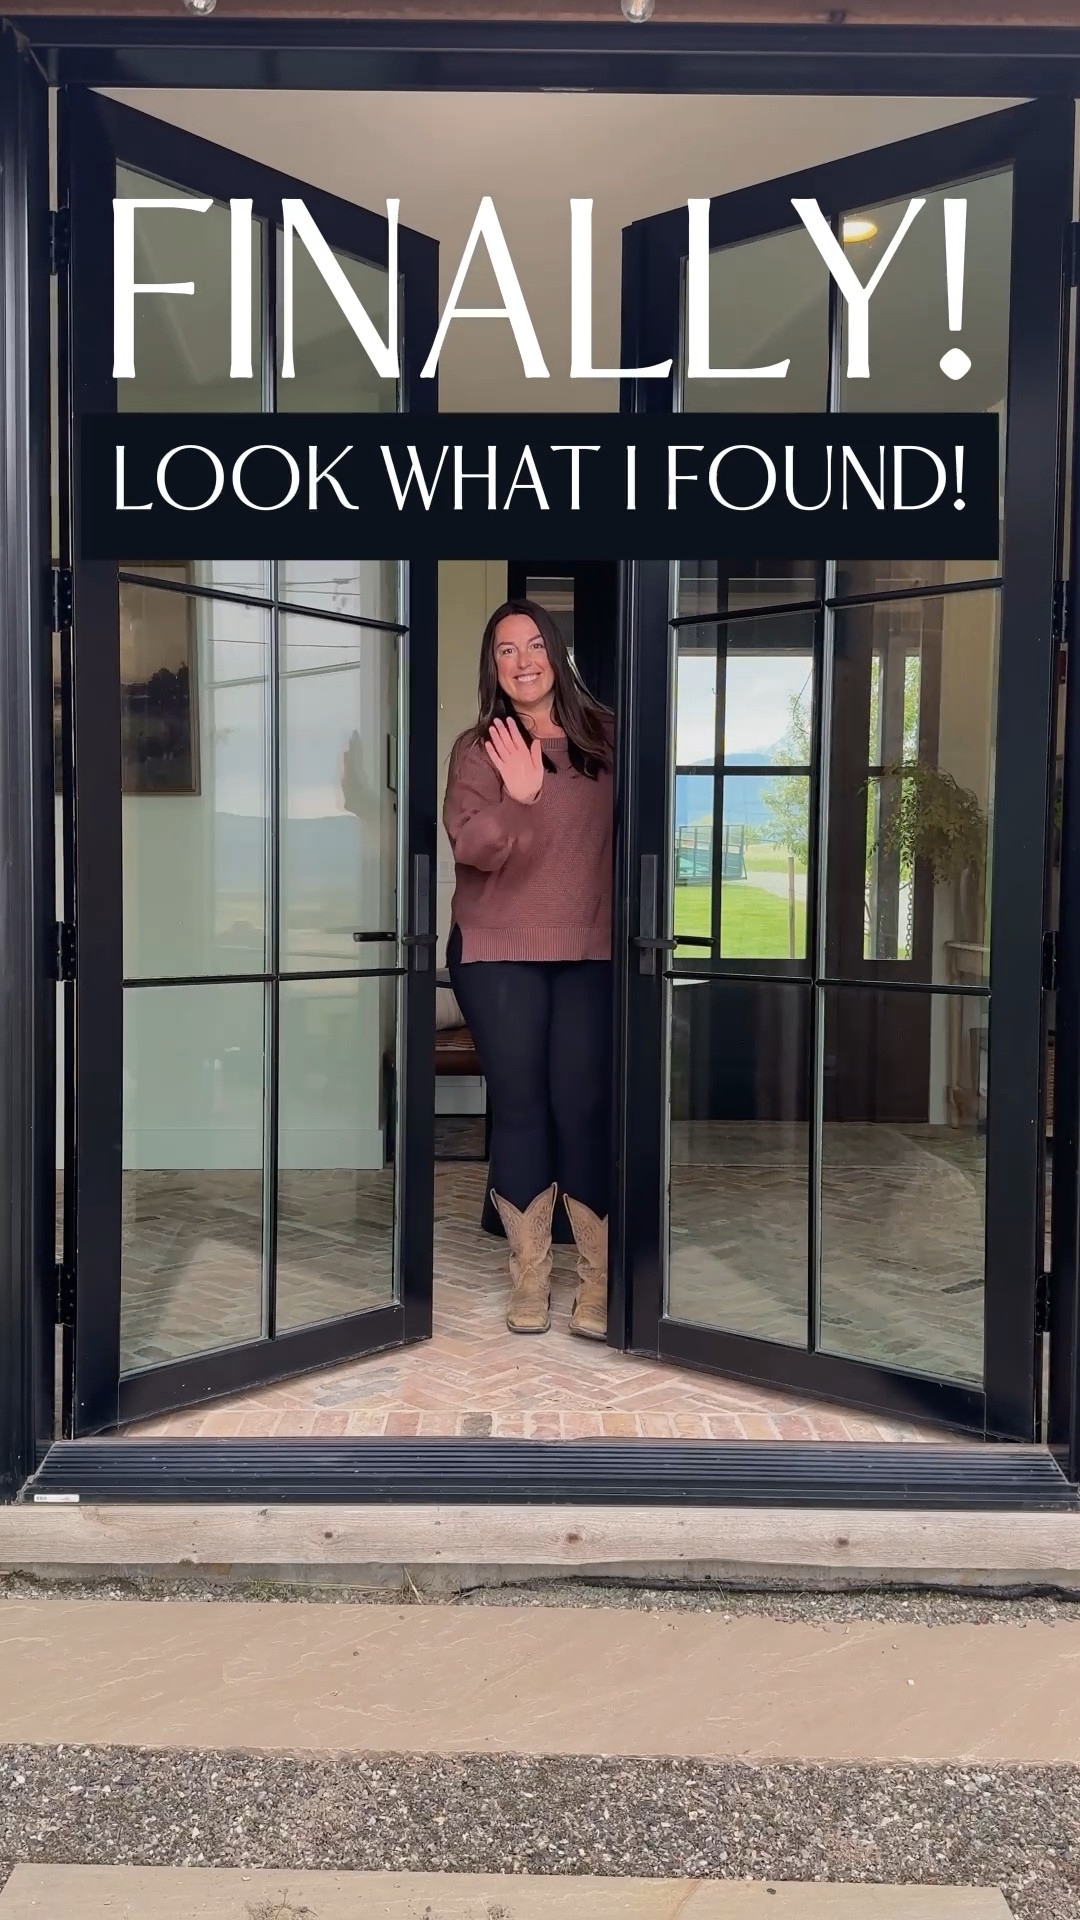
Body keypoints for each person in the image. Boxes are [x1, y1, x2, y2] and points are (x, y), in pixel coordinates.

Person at [443, 598, 614, 1341]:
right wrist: (519, 799)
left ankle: (597, 1283)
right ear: (493, 666)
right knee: (519, 1109)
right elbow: (473, 848)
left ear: (557, 652)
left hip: (591, 948)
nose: (522, 661)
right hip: (497, 950)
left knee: (582, 1108)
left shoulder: (606, 735)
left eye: (534, 644)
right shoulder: (479, 748)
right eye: (505, 650)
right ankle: (531, 1280)